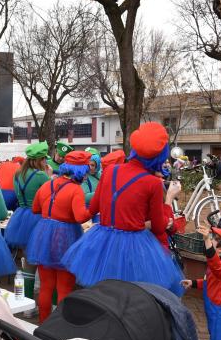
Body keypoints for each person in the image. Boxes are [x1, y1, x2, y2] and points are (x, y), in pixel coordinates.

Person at [62, 122, 184, 295]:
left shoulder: (110, 170)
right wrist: (168, 205)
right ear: (159, 156)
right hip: (134, 246)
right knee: (128, 298)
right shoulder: (152, 183)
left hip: (102, 241)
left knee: (104, 294)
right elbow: (158, 226)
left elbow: (94, 206)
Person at [26, 151, 92, 322]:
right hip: (67, 238)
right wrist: (94, 208)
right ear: (81, 170)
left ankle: (43, 323)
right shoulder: (76, 190)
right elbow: (80, 217)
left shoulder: (48, 185)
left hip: (43, 235)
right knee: (64, 288)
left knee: (46, 287)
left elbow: (35, 209)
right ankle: (59, 328)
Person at [4, 142, 50, 249]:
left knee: (25, 251)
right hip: (37, 215)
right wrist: (49, 176)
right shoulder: (41, 175)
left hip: (20, 214)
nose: (46, 162)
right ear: (38, 160)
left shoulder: (17, 174)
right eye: (44, 159)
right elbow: (51, 195)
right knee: (37, 250)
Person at [83, 147, 102, 224]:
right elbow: (85, 197)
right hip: (89, 215)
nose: (89, 167)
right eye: (87, 164)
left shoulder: (101, 175)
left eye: (92, 165)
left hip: (100, 213)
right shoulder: (83, 176)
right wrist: (102, 192)